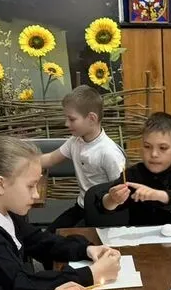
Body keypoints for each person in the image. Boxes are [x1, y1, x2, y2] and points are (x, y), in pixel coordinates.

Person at [0, 135, 121, 290]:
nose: (36, 194)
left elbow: (38, 240)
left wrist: (86, 249)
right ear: (0, 184)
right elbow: (20, 288)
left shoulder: (3, 210)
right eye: (30, 186)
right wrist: (91, 274)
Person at [87, 112, 171, 226]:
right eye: (147, 146)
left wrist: (159, 195)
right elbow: (102, 206)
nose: (154, 154)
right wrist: (112, 199)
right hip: (140, 237)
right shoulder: (133, 175)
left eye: (163, 148)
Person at [40, 86, 125, 229]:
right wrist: (18, 163)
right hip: (81, 207)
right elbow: (50, 159)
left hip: (102, 214)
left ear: (91, 118)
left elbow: (121, 193)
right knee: (49, 234)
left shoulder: (109, 153)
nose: (66, 124)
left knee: (64, 240)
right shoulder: (75, 141)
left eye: (72, 119)